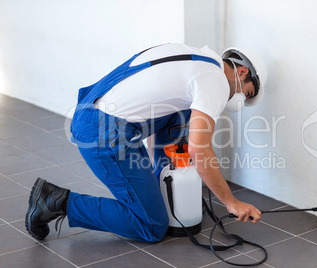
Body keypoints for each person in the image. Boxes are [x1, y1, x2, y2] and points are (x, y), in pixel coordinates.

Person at [25, 43, 268, 242]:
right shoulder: (215, 81)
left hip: (95, 112)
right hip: (102, 133)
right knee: (151, 225)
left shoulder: (194, 57)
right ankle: (55, 201)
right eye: (245, 93)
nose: (238, 100)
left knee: (184, 113)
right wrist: (231, 203)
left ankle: (159, 187)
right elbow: (199, 149)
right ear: (242, 72)